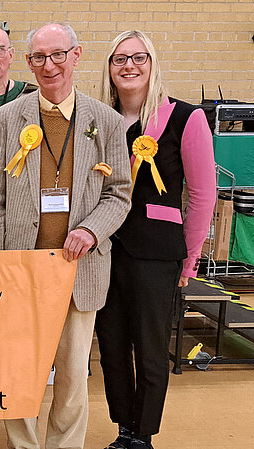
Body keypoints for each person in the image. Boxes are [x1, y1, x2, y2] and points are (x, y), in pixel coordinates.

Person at [0, 23, 133, 449]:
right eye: (39, 57)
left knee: (71, 377)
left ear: (76, 55)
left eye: (58, 55)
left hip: (77, 271)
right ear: (28, 63)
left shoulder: (106, 121)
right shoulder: (9, 118)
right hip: (21, 272)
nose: (50, 66)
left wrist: (90, 229)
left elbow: (119, 193)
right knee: (21, 372)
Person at [95, 31, 215, 449]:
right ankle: (123, 426)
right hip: (105, 251)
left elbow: (202, 195)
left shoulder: (185, 117)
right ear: (109, 68)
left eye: (138, 57)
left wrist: (191, 257)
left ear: (152, 63)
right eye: (119, 59)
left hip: (157, 254)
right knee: (110, 346)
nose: (129, 66)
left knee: (149, 348)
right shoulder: (100, 119)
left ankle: (142, 434)